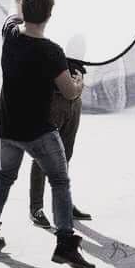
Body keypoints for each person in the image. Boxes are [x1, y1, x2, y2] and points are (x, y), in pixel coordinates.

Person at [0, 0, 94, 268]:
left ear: (25, 12)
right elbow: (69, 93)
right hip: (38, 131)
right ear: (50, 15)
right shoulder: (52, 51)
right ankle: (65, 244)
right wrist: (80, 81)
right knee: (60, 180)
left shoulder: (10, 33)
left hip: (8, 126)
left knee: (4, 177)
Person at [28, 58, 91, 229]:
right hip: (53, 100)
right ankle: (36, 208)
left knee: (65, 156)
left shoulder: (81, 40)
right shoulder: (49, 39)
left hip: (74, 99)